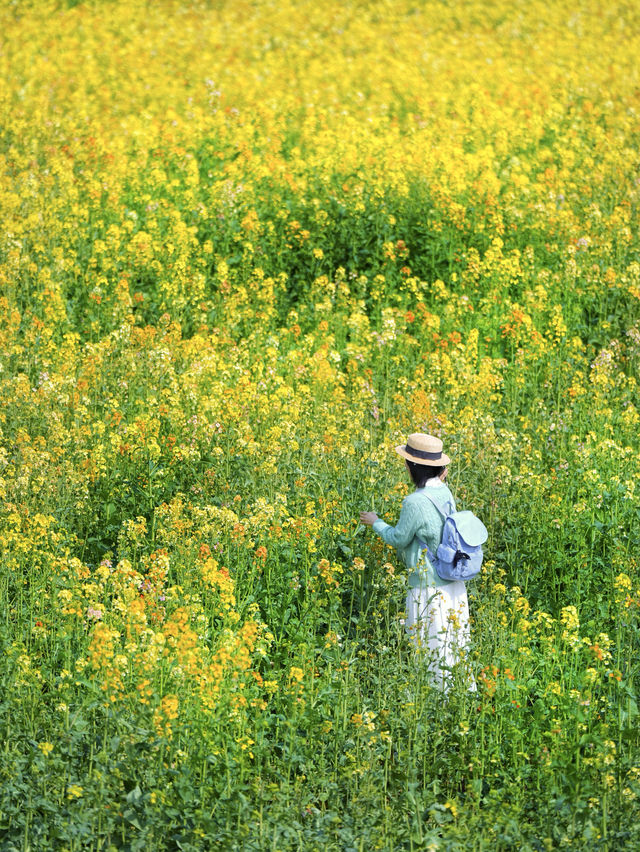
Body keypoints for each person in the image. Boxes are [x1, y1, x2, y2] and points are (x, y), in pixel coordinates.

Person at [360, 433, 475, 691]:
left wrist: (375, 522)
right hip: (453, 581)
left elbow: (399, 538)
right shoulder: (444, 493)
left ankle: (437, 704)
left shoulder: (414, 502)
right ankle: (461, 699)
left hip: (427, 586)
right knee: (455, 645)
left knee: (430, 647)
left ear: (411, 467)